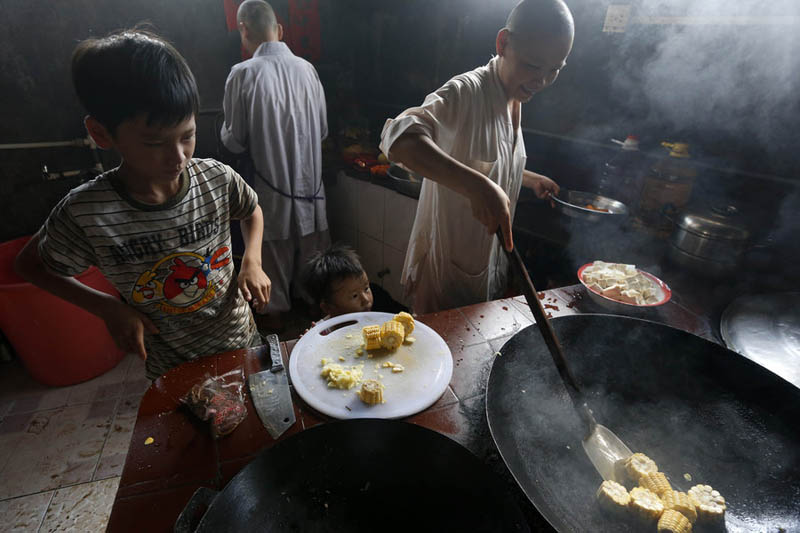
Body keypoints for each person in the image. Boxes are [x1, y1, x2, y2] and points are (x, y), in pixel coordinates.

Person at [14, 30, 271, 380]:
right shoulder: (88, 212)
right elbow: (30, 266)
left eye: (188, 135)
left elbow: (251, 209)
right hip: (173, 367)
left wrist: (252, 261)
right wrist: (107, 307)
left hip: (241, 341)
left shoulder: (215, 178)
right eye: (155, 143)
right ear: (102, 134)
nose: (178, 156)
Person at [379, 0, 572, 314]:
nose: (542, 80)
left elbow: (484, 158)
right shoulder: (467, 91)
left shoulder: (513, 95)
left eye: (555, 70)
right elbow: (399, 139)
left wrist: (528, 178)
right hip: (446, 281)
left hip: (486, 273)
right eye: (534, 66)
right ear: (503, 43)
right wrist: (477, 187)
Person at [220, 0, 329, 328]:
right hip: (313, 194)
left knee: (272, 293)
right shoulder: (308, 70)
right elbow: (322, 130)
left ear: (244, 30)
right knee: (315, 283)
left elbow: (234, 140)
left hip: (270, 195)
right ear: (279, 30)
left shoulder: (243, 74)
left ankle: (277, 345)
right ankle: (317, 333)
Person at [304, 243, 408, 320]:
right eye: (354, 296)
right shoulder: (324, 332)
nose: (366, 300)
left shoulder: (379, 311)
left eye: (366, 288)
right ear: (328, 308)